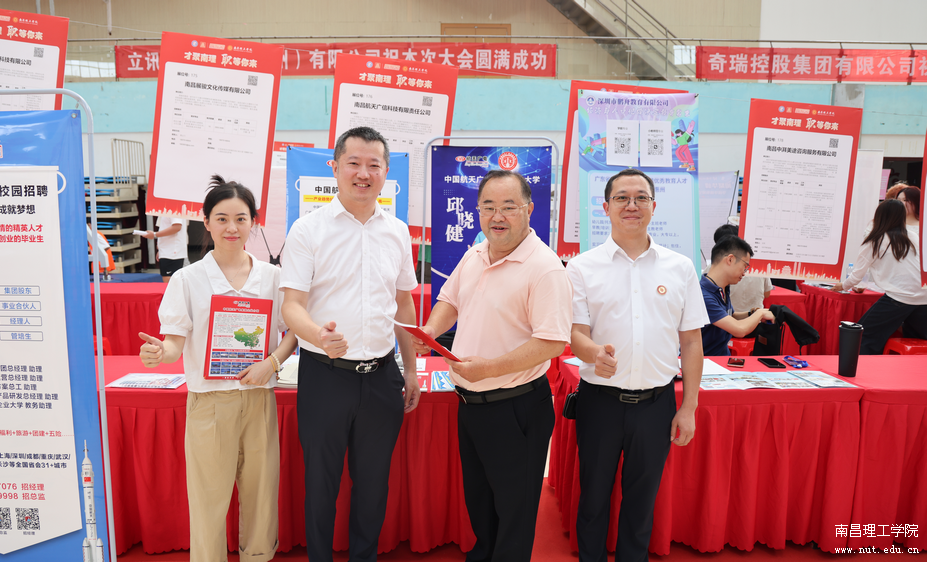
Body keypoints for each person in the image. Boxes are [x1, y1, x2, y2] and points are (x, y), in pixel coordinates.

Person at [412, 170, 572, 562]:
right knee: (481, 505)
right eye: (488, 207)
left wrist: (489, 369)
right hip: (471, 405)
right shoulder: (476, 253)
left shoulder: (545, 268)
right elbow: (450, 300)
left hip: (516, 408)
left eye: (508, 207)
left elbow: (552, 342)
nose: (497, 216)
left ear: (529, 210)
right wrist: (430, 330)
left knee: (514, 513)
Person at [137, 175, 298, 562]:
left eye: (241, 219)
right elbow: (174, 343)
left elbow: (294, 331)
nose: (232, 227)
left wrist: (272, 362)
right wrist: (160, 353)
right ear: (206, 222)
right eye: (222, 218)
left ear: (254, 223)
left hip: (258, 400)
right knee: (208, 502)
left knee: (261, 497)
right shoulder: (187, 279)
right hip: (209, 404)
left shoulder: (273, 278)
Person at [279, 126, 420, 562]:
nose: (363, 173)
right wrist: (317, 335)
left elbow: (403, 304)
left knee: (373, 485)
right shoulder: (308, 230)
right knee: (320, 484)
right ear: (335, 167)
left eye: (373, 165)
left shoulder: (398, 231)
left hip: (382, 376)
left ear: (385, 172)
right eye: (353, 163)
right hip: (326, 376)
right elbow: (292, 306)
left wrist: (411, 369)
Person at [566, 168, 708, 562]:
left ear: (653, 206)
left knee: (642, 503)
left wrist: (689, 407)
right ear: (606, 207)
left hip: (656, 405)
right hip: (600, 402)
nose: (632, 205)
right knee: (593, 498)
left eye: (641, 197)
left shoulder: (680, 267)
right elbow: (575, 334)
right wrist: (593, 353)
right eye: (622, 198)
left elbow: (691, 341)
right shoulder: (581, 267)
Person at [831, 199, 927, 354]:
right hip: (924, 296)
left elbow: (857, 275)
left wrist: (842, 285)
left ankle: (861, 367)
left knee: (863, 335)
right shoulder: (912, 236)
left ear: (879, 216)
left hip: (900, 296)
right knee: (916, 336)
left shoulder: (875, 240)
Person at [700, 235, 776, 356]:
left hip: (722, 357)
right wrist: (760, 314)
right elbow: (740, 330)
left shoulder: (723, 287)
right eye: (745, 266)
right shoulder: (703, 295)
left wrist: (751, 313)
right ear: (730, 260)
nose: (744, 273)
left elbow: (730, 316)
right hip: (707, 362)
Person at [713, 224, 772, 312]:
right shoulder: (759, 266)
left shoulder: (715, 268)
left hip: (733, 316)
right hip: (750, 316)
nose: (743, 273)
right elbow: (767, 293)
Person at [141, 216, 188, 281]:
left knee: (170, 282)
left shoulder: (173, 209)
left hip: (172, 253)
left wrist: (154, 234)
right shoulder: (165, 211)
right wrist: (160, 249)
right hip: (168, 251)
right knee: (169, 281)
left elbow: (177, 227)